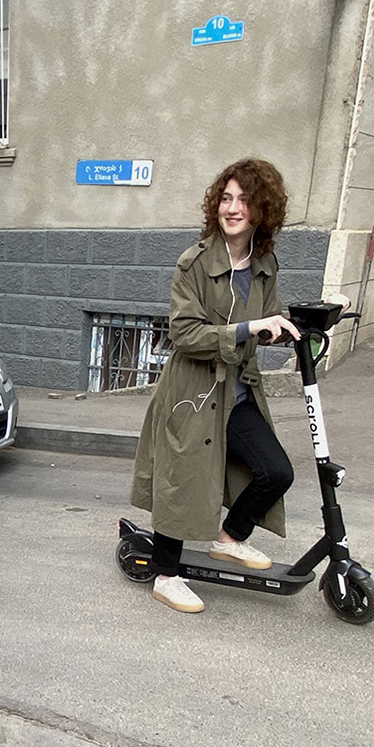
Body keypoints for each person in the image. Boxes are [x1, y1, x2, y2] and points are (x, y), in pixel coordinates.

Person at [129, 158, 312, 614]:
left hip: (238, 391)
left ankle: (229, 538)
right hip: (193, 392)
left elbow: (269, 320)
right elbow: (184, 334)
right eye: (226, 198)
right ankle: (166, 576)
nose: (233, 208)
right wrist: (248, 329)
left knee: (276, 472)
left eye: (244, 200)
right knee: (183, 481)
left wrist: (308, 318)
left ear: (261, 210)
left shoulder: (264, 263)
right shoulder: (193, 263)